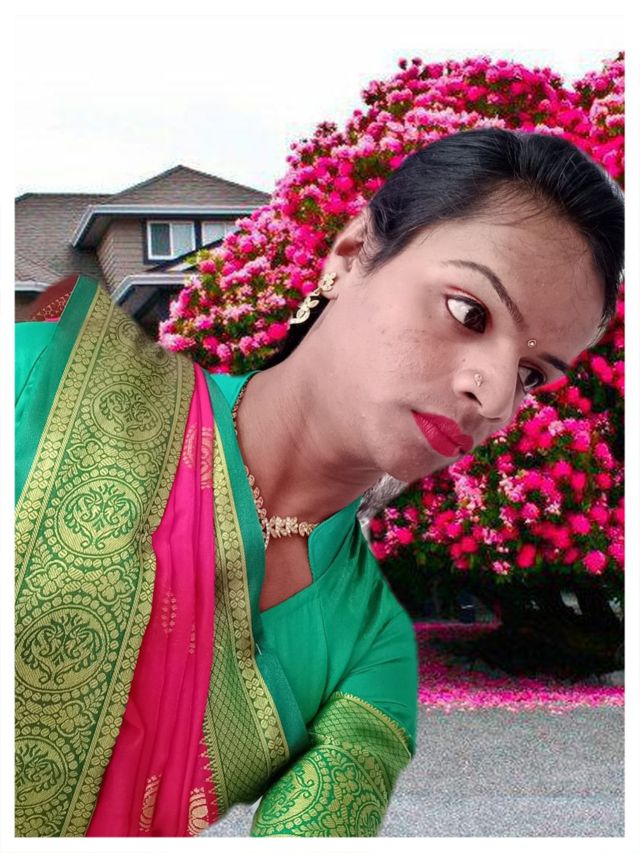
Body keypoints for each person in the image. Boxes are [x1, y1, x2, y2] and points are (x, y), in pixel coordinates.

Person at [14, 128, 624, 837]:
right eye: (469, 312)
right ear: (351, 254)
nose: (493, 398)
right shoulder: (45, 382)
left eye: (531, 375)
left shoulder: (370, 657)